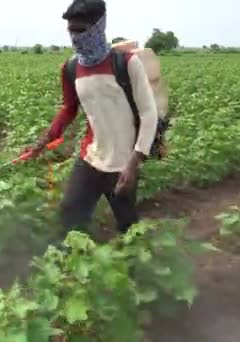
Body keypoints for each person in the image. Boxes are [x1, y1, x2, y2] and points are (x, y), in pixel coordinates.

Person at [28, 0, 158, 237]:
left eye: (81, 30)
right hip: (91, 155)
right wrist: (45, 139)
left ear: (98, 27)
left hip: (123, 161)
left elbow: (149, 113)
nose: (76, 37)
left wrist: (134, 162)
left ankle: (133, 267)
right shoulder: (71, 68)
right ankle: (77, 261)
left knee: (127, 223)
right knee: (71, 212)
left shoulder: (127, 64)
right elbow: (69, 108)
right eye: (71, 31)